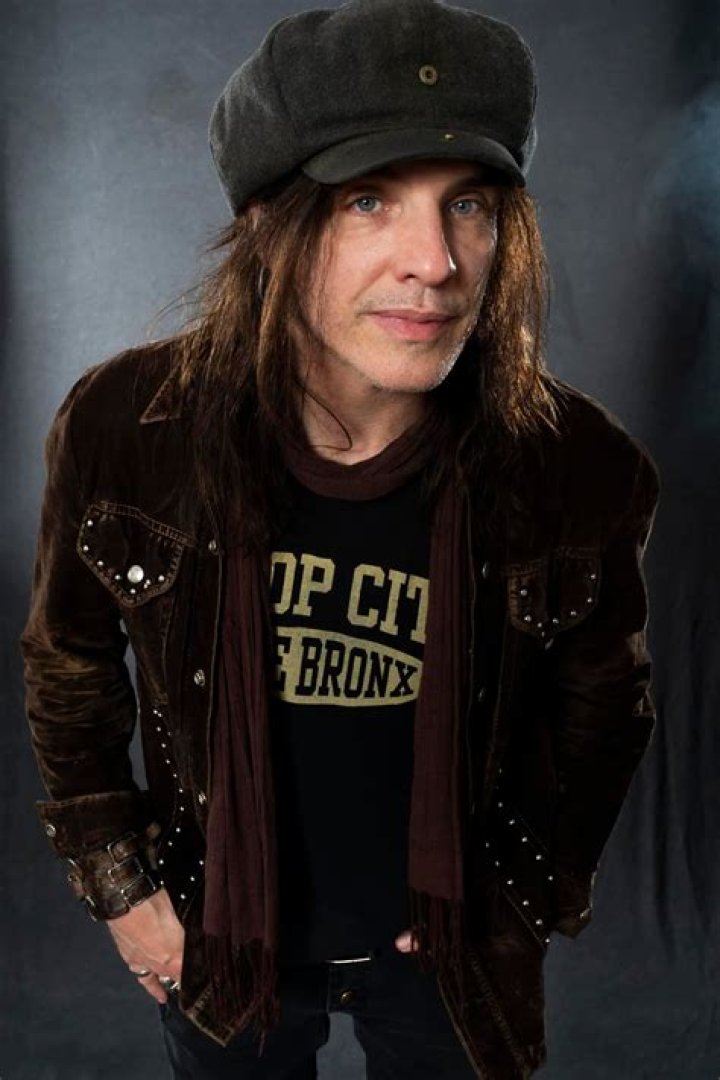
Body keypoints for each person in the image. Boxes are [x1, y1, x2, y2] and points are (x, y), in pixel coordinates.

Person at [20, 1, 661, 1077]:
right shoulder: (127, 428)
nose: (436, 262)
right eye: (370, 199)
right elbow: (69, 663)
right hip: (222, 937)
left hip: (451, 949)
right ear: (267, 223)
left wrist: (527, 891)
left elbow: (605, 702)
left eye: (469, 205)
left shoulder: (579, 463)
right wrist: (123, 890)